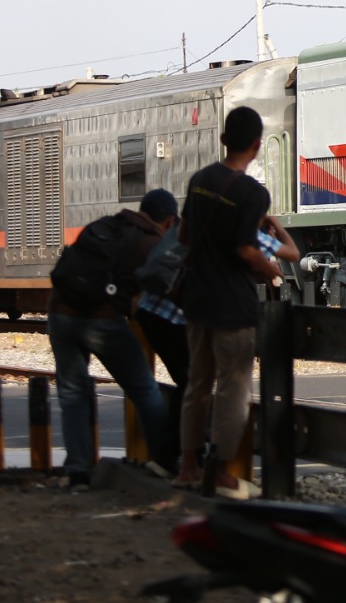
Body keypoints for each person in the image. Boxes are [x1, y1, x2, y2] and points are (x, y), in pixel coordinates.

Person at [175, 106, 300, 499]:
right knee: (232, 391)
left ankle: (188, 467)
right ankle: (222, 472)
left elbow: (183, 238)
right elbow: (246, 249)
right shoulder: (252, 193)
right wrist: (270, 270)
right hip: (233, 305)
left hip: (196, 299)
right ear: (258, 146)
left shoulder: (199, 181)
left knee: (197, 384)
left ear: (224, 139)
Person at [47, 189, 175, 491]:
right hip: (102, 322)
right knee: (144, 389)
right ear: (168, 220)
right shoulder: (152, 243)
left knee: (72, 393)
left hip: (60, 313)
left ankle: (78, 471)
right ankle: (164, 461)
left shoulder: (105, 224)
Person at [132, 188, 189, 476]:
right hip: (170, 317)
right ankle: (172, 457)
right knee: (191, 384)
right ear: (169, 218)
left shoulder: (179, 230)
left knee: (189, 382)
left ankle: (175, 455)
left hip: (149, 310)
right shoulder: (202, 231)